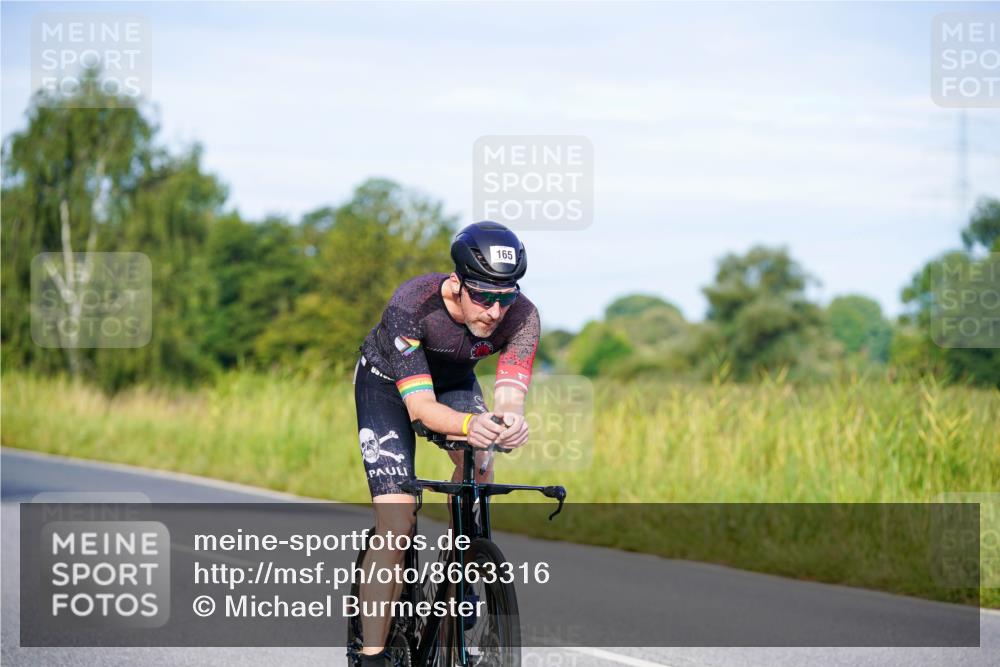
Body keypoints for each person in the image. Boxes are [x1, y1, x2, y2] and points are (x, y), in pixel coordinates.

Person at [352, 220, 540, 664]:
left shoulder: (525, 316)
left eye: (505, 297)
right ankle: (374, 653)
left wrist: (509, 423)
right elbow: (420, 409)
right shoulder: (412, 304)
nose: (495, 312)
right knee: (396, 522)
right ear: (456, 284)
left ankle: (462, 571)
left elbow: (509, 397)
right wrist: (468, 426)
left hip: (453, 382)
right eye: (484, 297)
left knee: (481, 461)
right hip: (388, 387)